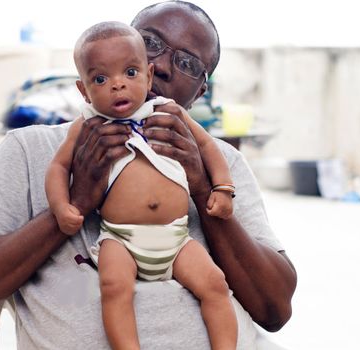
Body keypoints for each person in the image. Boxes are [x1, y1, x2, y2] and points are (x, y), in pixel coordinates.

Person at [0, 2, 297, 349]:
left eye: (186, 62)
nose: (163, 65)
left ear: (199, 92)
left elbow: (275, 307)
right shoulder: (33, 149)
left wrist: (203, 187)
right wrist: (74, 203)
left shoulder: (222, 162)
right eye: (151, 43)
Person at [46, 21, 237, 349]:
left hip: (176, 238)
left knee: (215, 285)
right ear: (83, 89)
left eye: (130, 73)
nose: (117, 86)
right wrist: (63, 206)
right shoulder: (88, 124)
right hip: (121, 239)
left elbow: (208, 147)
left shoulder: (169, 112)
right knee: (114, 288)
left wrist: (222, 188)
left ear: (148, 76)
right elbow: (58, 167)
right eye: (101, 79)